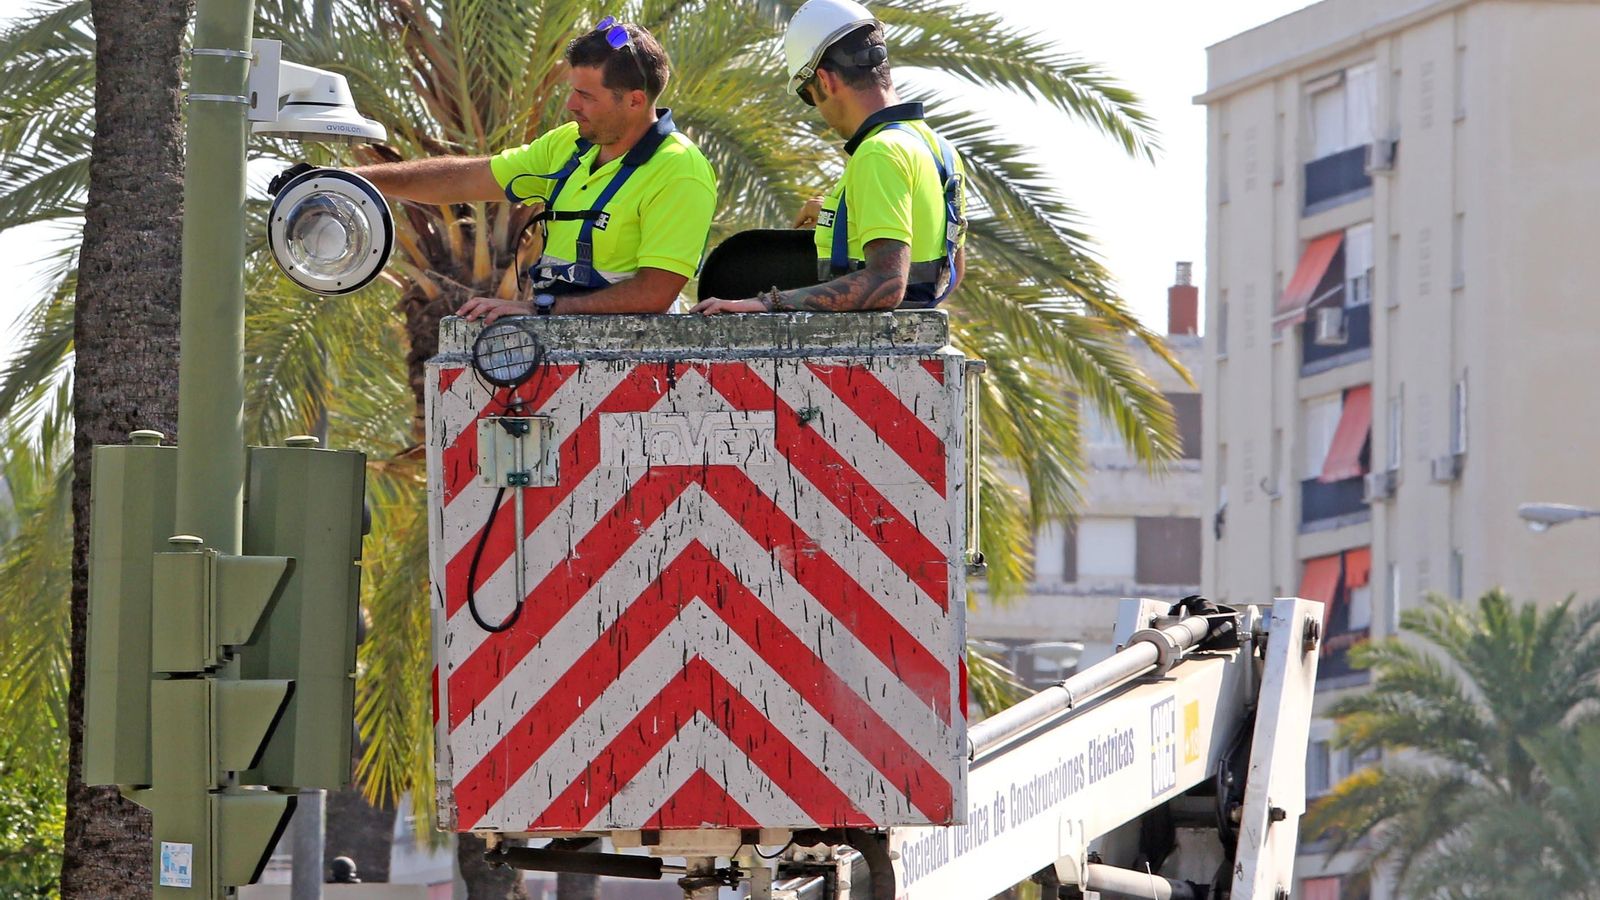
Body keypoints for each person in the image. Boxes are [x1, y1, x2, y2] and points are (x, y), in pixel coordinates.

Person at [331, 18, 717, 323]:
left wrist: (542, 309)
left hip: (637, 368)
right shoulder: (568, 144)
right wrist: (348, 180)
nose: (570, 105)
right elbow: (460, 179)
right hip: (555, 350)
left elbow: (654, 293)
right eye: (572, 91)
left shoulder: (679, 169)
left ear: (634, 101)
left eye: (585, 96)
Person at [692, 0, 966, 315]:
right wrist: (836, 218)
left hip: (869, 341)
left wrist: (765, 302)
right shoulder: (940, 150)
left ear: (825, 80)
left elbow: (887, 283)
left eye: (808, 95)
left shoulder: (879, 152)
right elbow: (950, 271)